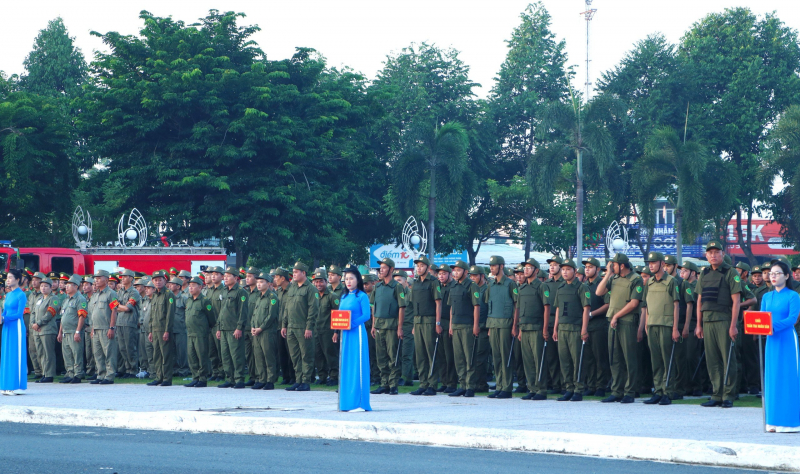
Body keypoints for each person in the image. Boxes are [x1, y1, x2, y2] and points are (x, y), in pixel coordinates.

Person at [695, 240, 742, 408]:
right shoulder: (704, 273)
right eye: (710, 253)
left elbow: (736, 301)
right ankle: (716, 394)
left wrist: (733, 325)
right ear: (706, 255)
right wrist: (698, 325)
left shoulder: (730, 272)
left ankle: (728, 394)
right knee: (712, 359)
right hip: (707, 320)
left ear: (722, 254)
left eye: (716, 252)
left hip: (724, 319)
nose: (713, 255)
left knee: (727, 358)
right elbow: (700, 301)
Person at [596, 253, 644, 404]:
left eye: (613, 265)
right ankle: (617, 391)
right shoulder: (613, 278)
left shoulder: (636, 279)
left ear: (622, 265)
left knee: (629, 358)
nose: (611, 267)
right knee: (614, 358)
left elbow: (634, 303)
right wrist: (608, 273)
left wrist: (617, 316)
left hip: (627, 321)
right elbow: (599, 292)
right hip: (613, 321)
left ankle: (630, 391)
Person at [761, 261, 800, 432]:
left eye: (777, 273)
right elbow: (761, 318)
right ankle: (773, 420)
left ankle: (790, 422)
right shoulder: (766, 297)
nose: (773, 276)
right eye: (771, 273)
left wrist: (773, 326)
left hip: (786, 339)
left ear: (786, 276)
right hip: (771, 340)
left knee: (788, 377)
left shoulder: (793, 296)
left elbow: (792, 319)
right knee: (772, 377)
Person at [641, 252, 680, 405]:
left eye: (654, 262)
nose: (650, 265)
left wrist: (675, 328)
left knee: (667, 359)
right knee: (655, 360)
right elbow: (647, 305)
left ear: (662, 264)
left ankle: (668, 391)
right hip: (652, 325)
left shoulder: (671, 281)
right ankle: (658, 390)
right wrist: (646, 323)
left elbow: (676, 305)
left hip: (666, 324)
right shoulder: (649, 282)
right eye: (649, 262)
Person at [552, 259, 591, 401]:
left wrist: (584, 329)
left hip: (576, 328)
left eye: (568, 269)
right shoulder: (561, 288)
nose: (565, 272)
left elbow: (586, 309)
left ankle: (578, 389)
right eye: (563, 269)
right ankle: (568, 388)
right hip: (562, 328)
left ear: (575, 271)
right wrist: (555, 328)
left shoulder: (582, 287)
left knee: (577, 360)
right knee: (565, 360)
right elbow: (557, 309)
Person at [335, 265, 372, 412]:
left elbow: (366, 315)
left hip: (357, 333)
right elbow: (338, 315)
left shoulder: (362, 296)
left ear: (358, 280)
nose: (348, 281)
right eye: (346, 279)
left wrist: (352, 324)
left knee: (358, 365)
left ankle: (360, 403)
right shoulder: (343, 296)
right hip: (345, 334)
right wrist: (337, 330)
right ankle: (347, 402)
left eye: (351, 278)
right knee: (346, 365)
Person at [515, 258, 550, 400]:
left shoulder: (542, 287)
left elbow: (547, 308)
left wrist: (545, 329)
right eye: (525, 268)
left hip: (537, 327)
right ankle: (532, 388)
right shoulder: (522, 288)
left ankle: (541, 390)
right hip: (524, 328)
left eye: (529, 268)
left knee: (538, 359)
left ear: (536, 270)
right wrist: (519, 329)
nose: (526, 270)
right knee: (528, 360)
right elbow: (519, 309)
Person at [370, 258, 406, 395]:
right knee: (381, 357)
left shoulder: (397, 287)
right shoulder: (377, 287)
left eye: (384, 267)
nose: (381, 270)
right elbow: (374, 307)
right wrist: (373, 325)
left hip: (392, 325)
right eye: (380, 268)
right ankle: (384, 383)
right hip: (379, 326)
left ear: (391, 269)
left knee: (393, 356)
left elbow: (402, 308)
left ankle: (393, 384)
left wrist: (400, 327)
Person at [281, 262, 319, 392]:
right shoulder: (292, 287)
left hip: (303, 327)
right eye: (294, 271)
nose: (294, 274)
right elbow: (287, 308)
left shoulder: (310, 288)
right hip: (291, 327)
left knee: (306, 355)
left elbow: (313, 310)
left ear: (304, 273)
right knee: (295, 356)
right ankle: (298, 380)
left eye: (297, 272)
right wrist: (284, 325)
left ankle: (306, 381)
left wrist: (309, 327)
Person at [485, 255, 518, 399]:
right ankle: (499, 386)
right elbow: (489, 305)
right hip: (493, 323)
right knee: (496, 357)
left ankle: (507, 387)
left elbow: (516, 305)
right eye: (491, 265)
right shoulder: (490, 284)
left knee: (506, 357)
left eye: (494, 265)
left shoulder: (510, 284)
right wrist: (489, 327)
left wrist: (514, 326)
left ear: (501, 266)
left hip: (506, 324)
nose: (492, 268)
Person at [447, 260, 480, 398]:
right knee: (459, 357)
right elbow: (451, 308)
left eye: (459, 270)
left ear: (466, 272)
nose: (456, 272)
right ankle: (462, 385)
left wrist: (476, 325)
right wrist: (450, 325)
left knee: (469, 357)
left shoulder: (471, 286)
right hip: (456, 325)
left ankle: (470, 386)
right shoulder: (453, 286)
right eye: (454, 270)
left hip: (468, 325)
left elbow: (476, 306)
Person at [409, 256, 441, 396]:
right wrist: (414, 324)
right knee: (420, 354)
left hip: (430, 320)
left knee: (430, 353)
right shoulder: (416, 283)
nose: (419, 268)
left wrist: (437, 323)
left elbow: (438, 303)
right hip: (418, 320)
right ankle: (423, 383)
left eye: (422, 266)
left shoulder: (433, 282)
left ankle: (432, 384)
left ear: (428, 268)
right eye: (418, 266)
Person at [216, 267, 249, 389]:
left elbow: (243, 312)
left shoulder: (241, 292)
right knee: (225, 355)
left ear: (236, 278)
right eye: (225, 275)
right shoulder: (224, 291)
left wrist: (239, 327)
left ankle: (239, 379)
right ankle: (229, 378)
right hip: (224, 328)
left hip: (234, 328)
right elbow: (221, 311)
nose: (225, 277)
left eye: (228, 276)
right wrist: (219, 327)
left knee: (236, 355)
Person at [89, 270, 120, 385]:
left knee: (109, 353)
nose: (96, 280)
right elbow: (93, 313)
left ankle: (110, 375)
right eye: (95, 278)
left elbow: (114, 310)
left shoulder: (111, 293)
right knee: (98, 354)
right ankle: (101, 374)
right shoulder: (95, 295)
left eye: (99, 278)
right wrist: (92, 328)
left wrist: (112, 327)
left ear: (106, 280)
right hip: (96, 328)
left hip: (106, 328)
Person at [184, 277, 216, 388]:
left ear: (200, 287)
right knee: (192, 357)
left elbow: (211, 318)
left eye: (193, 285)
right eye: (190, 285)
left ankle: (202, 379)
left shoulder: (204, 301)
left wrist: (205, 329)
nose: (191, 287)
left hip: (201, 334)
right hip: (190, 333)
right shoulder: (188, 300)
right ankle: (195, 377)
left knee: (202, 356)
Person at [251, 272, 280, 390]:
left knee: (269, 356)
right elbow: (254, 314)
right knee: (258, 356)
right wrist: (253, 327)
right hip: (257, 332)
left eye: (261, 282)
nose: (259, 284)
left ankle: (270, 380)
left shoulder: (272, 297)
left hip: (267, 332)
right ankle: (261, 379)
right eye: (257, 282)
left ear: (268, 284)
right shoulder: (258, 297)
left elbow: (271, 316)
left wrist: (261, 328)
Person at [146, 270, 176, 387]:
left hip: (164, 329)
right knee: (157, 355)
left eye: (160, 280)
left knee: (166, 354)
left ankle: (167, 378)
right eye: (155, 280)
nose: (158, 282)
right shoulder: (154, 295)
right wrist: (150, 331)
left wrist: (167, 330)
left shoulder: (169, 294)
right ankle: (159, 377)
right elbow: (152, 315)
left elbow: (170, 314)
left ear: (165, 281)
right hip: (155, 330)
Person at [57, 275, 88, 383]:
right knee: (67, 355)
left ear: (75, 286)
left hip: (74, 331)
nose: (66, 287)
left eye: (69, 285)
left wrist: (78, 331)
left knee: (76, 353)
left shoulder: (80, 299)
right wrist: (60, 332)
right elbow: (63, 317)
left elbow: (82, 316)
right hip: (65, 331)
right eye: (66, 285)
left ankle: (78, 374)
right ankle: (69, 373)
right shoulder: (66, 300)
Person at [1, 269, 28, 394]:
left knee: (15, 353)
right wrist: (2, 317)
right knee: (6, 353)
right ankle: (6, 385)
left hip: (16, 326)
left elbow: (19, 314)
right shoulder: (8, 295)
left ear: (18, 279)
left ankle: (15, 385)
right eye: (7, 277)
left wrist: (5, 317)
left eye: (11, 277)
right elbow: (5, 311)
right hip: (7, 326)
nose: (8, 280)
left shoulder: (20, 294)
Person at [312, 268, 339, 386]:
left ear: (326, 282)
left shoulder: (332, 296)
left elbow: (337, 314)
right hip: (316, 330)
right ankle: (322, 376)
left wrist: (336, 332)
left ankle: (334, 377)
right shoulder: (314, 296)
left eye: (321, 281)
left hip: (329, 331)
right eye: (316, 282)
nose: (318, 284)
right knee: (318, 354)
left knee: (330, 354)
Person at [31, 277, 59, 383]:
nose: (43, 288)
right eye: (42, 286)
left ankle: (49, 374)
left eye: (46, 286)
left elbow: (50, 313)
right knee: (40, 352)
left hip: (47, 329)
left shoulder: (53, 299)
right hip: (37, 330)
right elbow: (33, 312)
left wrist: (38, 323)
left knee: (48, 352)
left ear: (51, 287)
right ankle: (44, 373)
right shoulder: (39, 299)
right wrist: (34, 324)